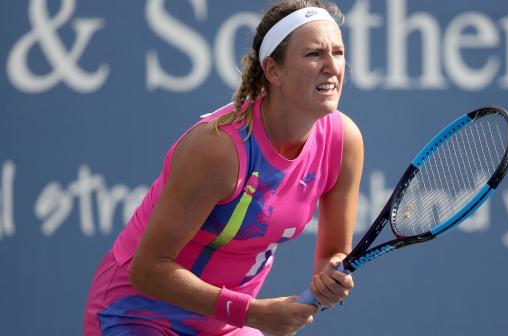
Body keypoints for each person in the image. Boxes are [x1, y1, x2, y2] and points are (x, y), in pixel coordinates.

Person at [84, 0, 364, 335]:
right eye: (314, 54)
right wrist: (255, 314)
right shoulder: (219, 149)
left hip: (224, 326)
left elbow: (333, 254)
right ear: (273, 70)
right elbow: (148, 269)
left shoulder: (343, 141)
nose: (332, 66)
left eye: (338, 52)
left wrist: (331, 277)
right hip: (135, 315)